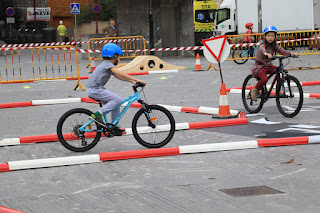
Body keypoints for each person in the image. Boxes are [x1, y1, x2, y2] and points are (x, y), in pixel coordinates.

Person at [86, 43, 146, 135]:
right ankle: (97, 115)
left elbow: (119, 76)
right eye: (118, 56)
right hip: (95, 89)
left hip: (97, 89)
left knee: (116, 103)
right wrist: (136, 79)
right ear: (114, 56)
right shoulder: (108, 64)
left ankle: (114, 126)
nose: (119, 59)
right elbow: (119, 72)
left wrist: (132, 81)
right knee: (117, 99)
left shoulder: (107, 65)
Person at [250, 25, 299, 102]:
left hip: (268, 65)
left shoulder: (274, 45)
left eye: (272, 36)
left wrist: (291, 54)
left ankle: (278, 91)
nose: (270, 37)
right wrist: (266, 53)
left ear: (275, 37)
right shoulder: (263, 45)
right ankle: (255, 90)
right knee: (264, 79)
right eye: (268, 36)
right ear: (265, 37)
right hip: (259, 66)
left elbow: (282, 51)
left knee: (278, 72)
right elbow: (262, 49)